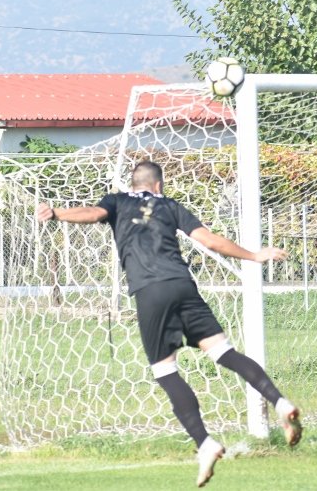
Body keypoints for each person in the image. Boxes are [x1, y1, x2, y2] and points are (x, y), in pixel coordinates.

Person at [35, 160, 301, 487]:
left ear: (132, 184)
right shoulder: (171, 206)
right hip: (183, 285)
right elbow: (211, 240)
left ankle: (205, 442)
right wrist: (255, 255)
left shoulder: (116, 201)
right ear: (158, 185)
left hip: (151, 292)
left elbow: (93, 213)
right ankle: (280, 402)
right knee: (225, 353)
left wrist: (57, 212)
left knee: (165, 370)